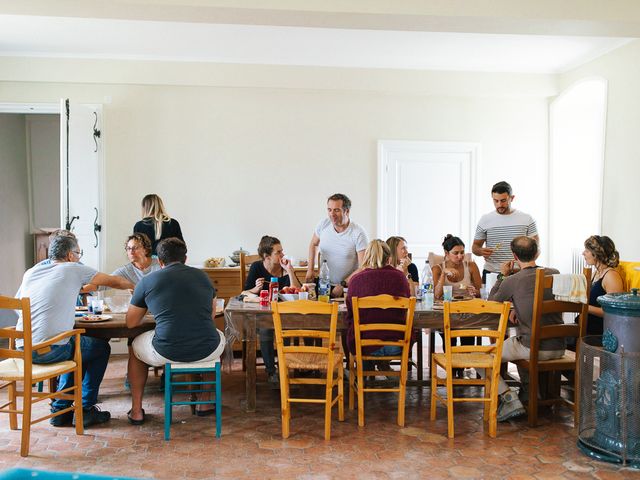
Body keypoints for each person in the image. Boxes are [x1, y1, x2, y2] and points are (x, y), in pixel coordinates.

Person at [15, 235, 134, 427]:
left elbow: (18, 302)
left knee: (78, 349)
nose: (79, 257)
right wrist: (136, 286)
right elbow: (114, 282)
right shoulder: (73, 268)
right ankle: (86, 409)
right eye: (79, 253)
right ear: (71, 255)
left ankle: (61, 411)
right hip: (50, 349)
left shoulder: (32, 271)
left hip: (23, 348)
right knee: (100, 348)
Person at [125, 238, 225, 424]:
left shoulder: (147, 281)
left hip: (167, 350)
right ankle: (204, 402)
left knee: (134, 348)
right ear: (185, 258)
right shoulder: (203, 277)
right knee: (217, 340)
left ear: (160, 261)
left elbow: (131, 323)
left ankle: (137, 410)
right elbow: (210, 316)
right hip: (206, 348)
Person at [486, 236, 565, 422]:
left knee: (483, 358)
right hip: (559, 346)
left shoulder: (512, 280)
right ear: (537, 252)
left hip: (534, 348)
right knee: (520, 343)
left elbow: (492, 302)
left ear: (514, 255)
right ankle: (530, 393)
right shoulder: (555, 273)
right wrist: (517, 309)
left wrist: (502, 276)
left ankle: (508, 399)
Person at [344, 239, 411, 370]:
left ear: (366, 258)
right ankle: (380, 368)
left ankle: (364, 375)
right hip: (396, 344)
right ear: (389, 259)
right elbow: (407, 305)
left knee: (352, 330)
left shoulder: (356, 280)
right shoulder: (400, 278)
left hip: (364, 344)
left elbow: (350, 312)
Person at [244, 235, 300, 385]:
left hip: (285, 317)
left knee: (287, 328)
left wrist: (290, 271)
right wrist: (255, 289)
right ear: (266, 256)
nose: (282, 255)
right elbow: (244, 293)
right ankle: (271, 372)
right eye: (278, 252)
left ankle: (285, 368)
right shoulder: (257, 267)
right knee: (266, 329)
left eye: (282, 251)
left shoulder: (284, 269)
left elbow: (299, 291)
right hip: (263, 317)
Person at [432, 234, 482, 378]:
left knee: (467, 342)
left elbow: (481, 292)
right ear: (446, 254)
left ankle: (461, 364)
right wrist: (443, 275)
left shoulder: (471, 266)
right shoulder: (437, 268)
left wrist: (475, 291)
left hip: (468, 314)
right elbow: (436, 296)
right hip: (447, 314)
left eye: (462, 252)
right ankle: (453, 368)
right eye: (456, 253)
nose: (460, 256)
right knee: (450, 340)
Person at [472, 181, 539, 281]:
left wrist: (524, 266)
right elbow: (475, 248)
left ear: (512, 198)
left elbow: (536, 248)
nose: (499, 205)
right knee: (491, 297)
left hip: (519, 273)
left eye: (503, 201)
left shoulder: (527, 219)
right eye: (496, 201)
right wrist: (481, 251)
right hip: (492, 273)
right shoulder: (485, 220)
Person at [305, 193, 369, 297]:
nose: (332, 214)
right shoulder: (323, 224)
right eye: (329, 210)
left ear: (347, 211)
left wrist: (343, 284)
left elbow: (364, 266)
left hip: (348, 287)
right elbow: (313, 244)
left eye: (336, 210)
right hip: (323, 284)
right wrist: (310, 269)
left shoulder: (358, 232)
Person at [582, 235, 624, 337]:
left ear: (596, 254)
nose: (583, 253)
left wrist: (583, 307)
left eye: (586, 250)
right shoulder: (595, 274)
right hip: (586, 328)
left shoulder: (611, 276)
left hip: (598, 333)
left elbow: (613, 312)